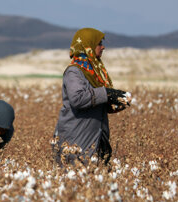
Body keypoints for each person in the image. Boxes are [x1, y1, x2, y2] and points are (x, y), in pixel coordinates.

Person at [53, 28, 129, 166]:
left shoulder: (95, 72)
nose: (103, 47)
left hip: (95, 138)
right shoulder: (74, 72)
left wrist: (115, 103)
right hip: (76, 139)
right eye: (99, 43)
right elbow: (78, 99)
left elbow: (95, 101)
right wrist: (106, 93)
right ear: (88, 45)